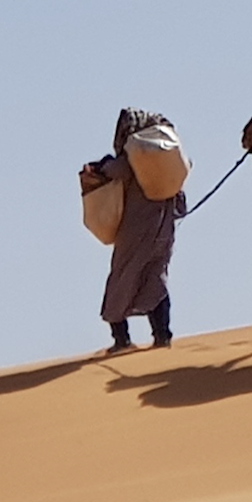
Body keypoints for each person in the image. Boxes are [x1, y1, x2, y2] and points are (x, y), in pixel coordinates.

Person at [90, 109, 188, 354]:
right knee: (156, 281)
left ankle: (121, 339)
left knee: (122, 279)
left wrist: (100, 167)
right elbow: (180, 201)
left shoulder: (133, 158)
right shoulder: (163, 160)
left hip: (136, 231)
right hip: (163, 231)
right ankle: (162, 336)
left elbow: (114, 171)